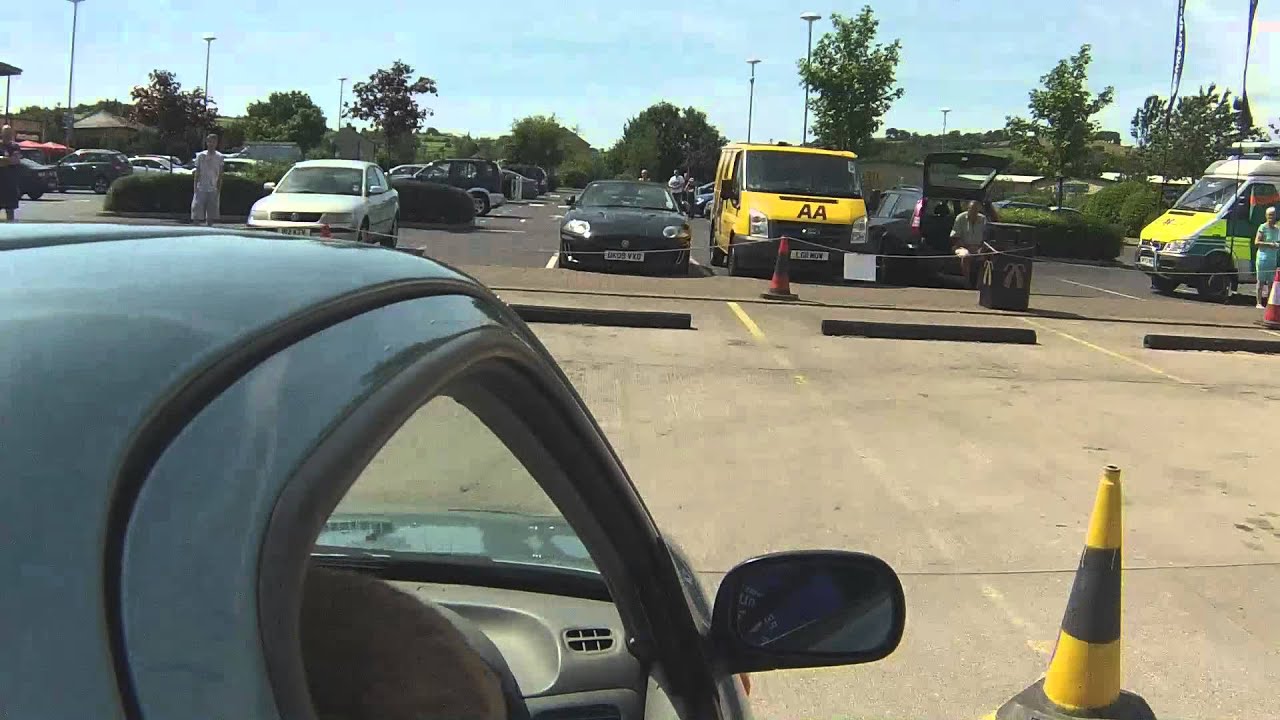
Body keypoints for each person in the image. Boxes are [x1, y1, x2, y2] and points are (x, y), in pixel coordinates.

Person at [950, 200, 989, 288]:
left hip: (979, 247)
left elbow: (987, 237)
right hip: (961, 247)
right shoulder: (960, 218)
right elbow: (954, 237)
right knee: (966, 256)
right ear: (968, 209)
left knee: (985, 257)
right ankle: (967, 282)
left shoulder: (983, 219)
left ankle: (980, 284)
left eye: (976, 210)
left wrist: (980, 248)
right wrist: (966, 247)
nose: (973, 212)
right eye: (971, 209)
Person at [191, 133, 224, 226]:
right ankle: (196, 228)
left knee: (211, 212)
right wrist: (195, 187)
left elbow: (220, 174)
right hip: (201, 187)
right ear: (207, 142)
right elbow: (197, 172)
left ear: (216, 143)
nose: (211, 144)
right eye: (209, 141)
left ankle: (209, 227)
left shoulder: (220, 157)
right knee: (196, 210)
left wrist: (218, 188)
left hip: (213, 187)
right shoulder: (201, 155)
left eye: (213, 142)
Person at [1255, 206, 1279, 309]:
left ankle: (1269, 303)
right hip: (1262, 258)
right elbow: (1256, 242)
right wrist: (1270, 244)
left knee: (1271, 283)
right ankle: (1259, 303)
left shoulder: (1277, 229)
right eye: (1269, 215)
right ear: (1266, 216)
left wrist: (1277, 245)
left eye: (1273, 215)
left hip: (1272, 258)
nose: (1271, 217)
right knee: (1260, 282)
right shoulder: (1262, 227)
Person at [0, 125, 22, 223]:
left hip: (10, 185)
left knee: (10, 212)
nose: (7, 135)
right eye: (5, 133)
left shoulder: (15, 146)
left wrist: (3, 160)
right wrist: (8, 160)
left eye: (9, 133)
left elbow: (15, 160)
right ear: (1, 133)